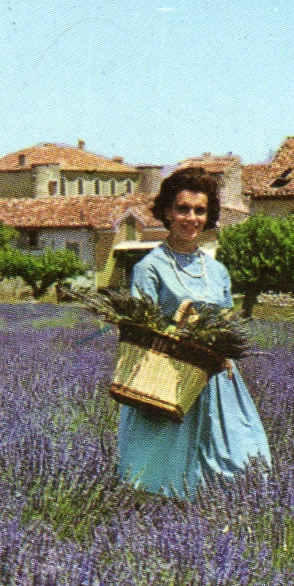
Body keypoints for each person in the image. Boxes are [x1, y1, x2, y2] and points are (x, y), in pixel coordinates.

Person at [114, 167, 271, 498]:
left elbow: (228, 322)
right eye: (183, 209)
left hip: (215, 380)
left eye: (199, 211)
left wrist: (223, 348)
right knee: (158, 471)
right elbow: (141, 329)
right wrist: (181, 330)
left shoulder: (217, 271)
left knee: (238, 459)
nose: (191, 218)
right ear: (167, 212)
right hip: (167, 378)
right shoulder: (149, 268)